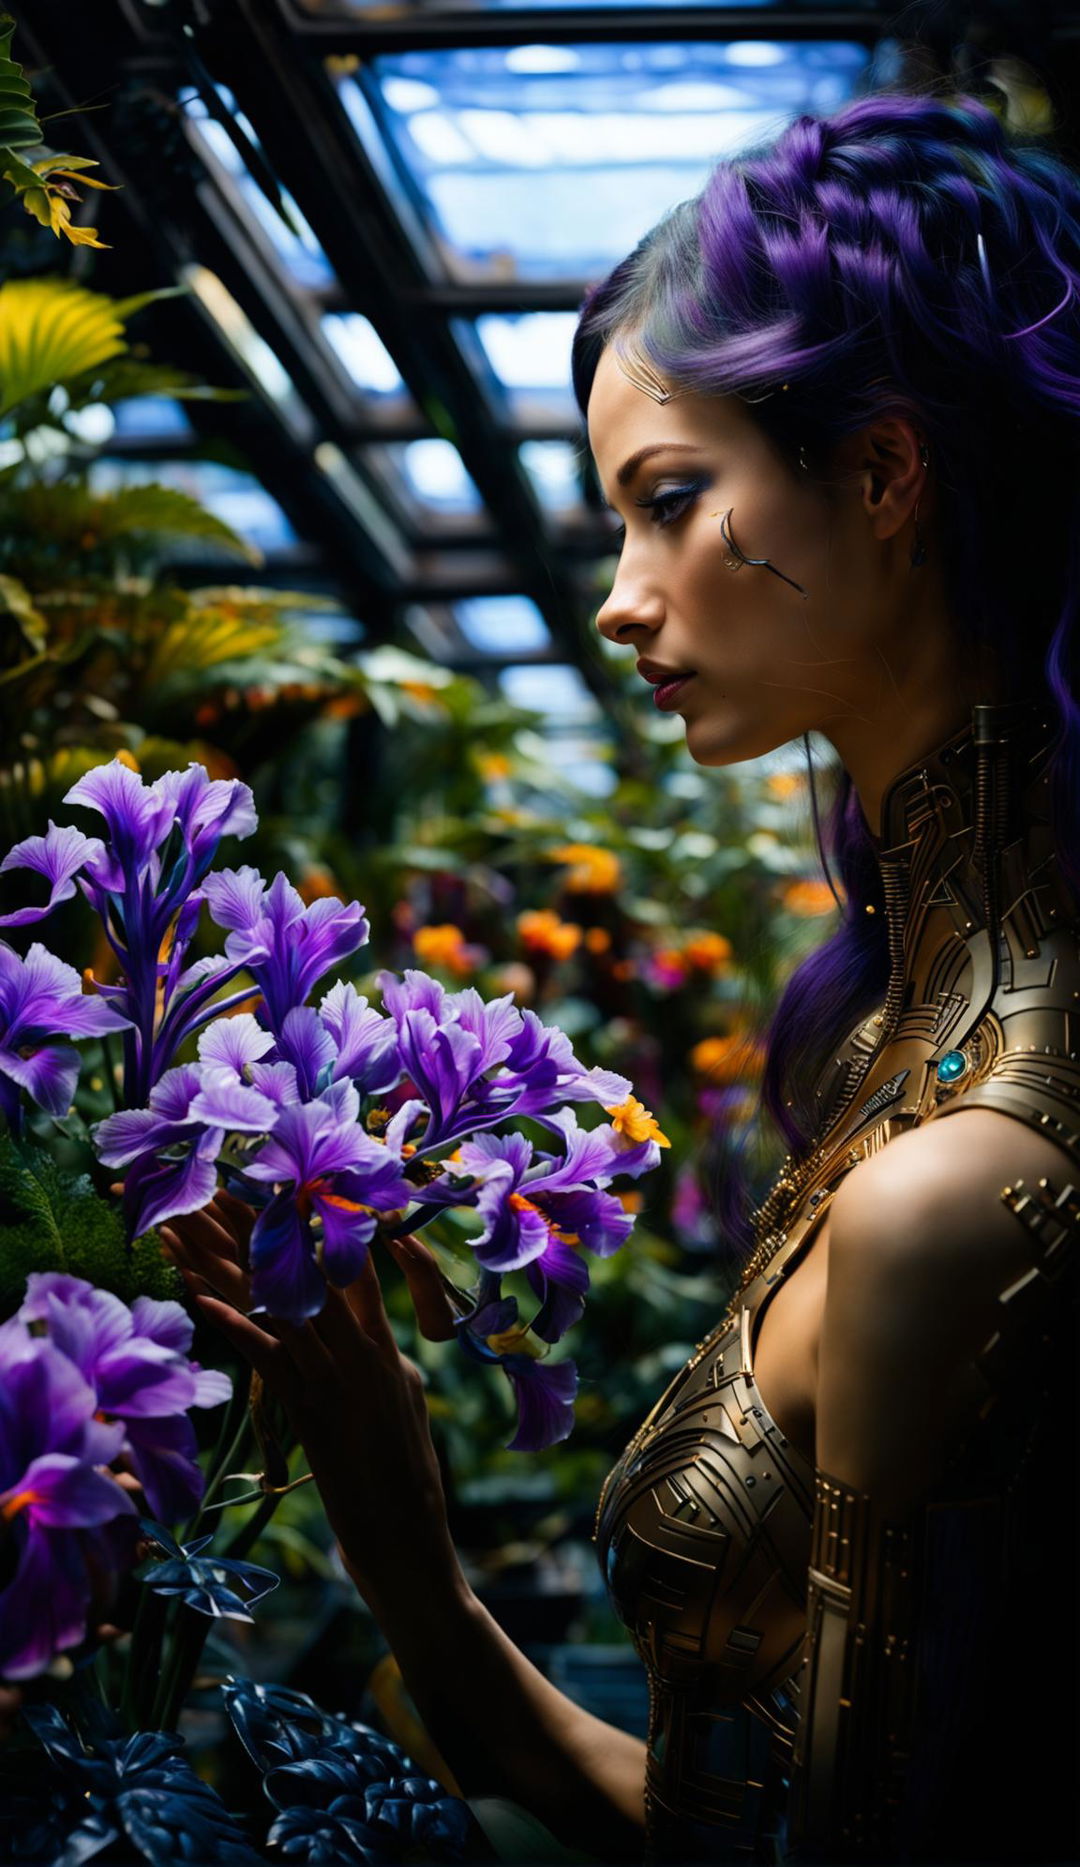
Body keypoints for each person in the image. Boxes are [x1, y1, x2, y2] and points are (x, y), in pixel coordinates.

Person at [163, 89, 1080, 1864]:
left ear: (885, 475)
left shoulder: (961, 1184)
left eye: (670, 504)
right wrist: (405, 1546)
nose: (617, 598)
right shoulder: (909, 1049)